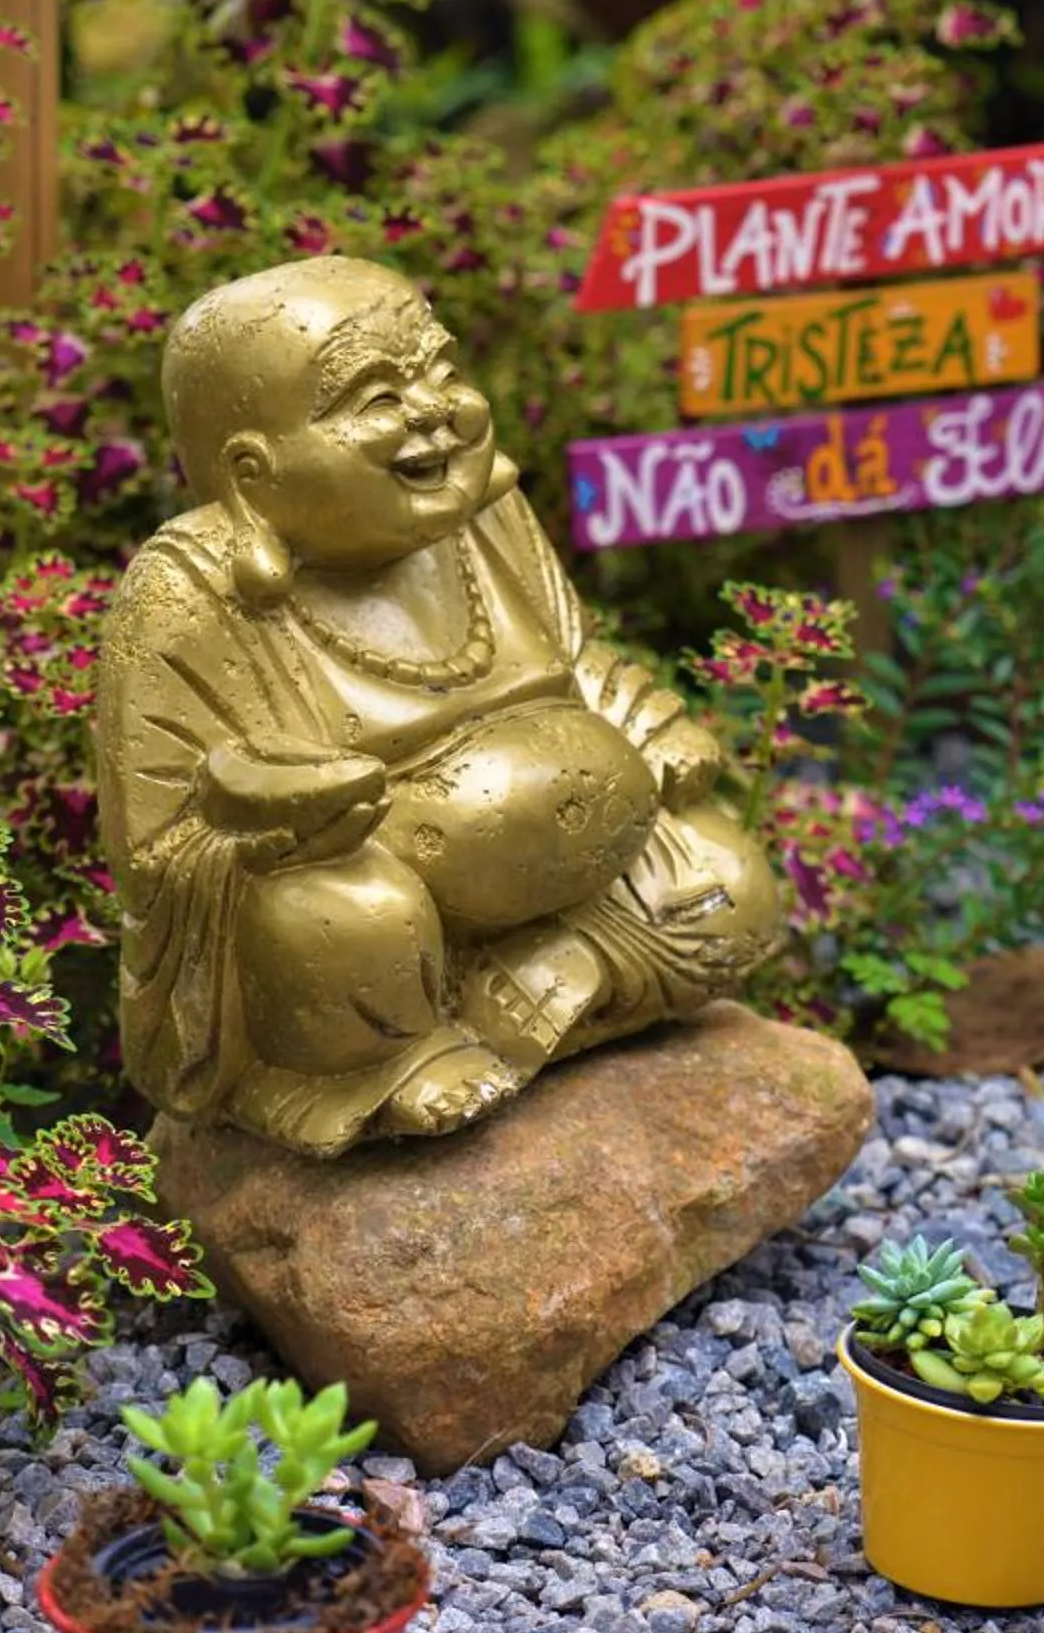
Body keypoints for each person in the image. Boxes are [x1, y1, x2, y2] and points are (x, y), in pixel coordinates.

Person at [95, 256, 782, 1157]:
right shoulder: (188, 595)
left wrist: (648, 725)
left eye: (440, 369)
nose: (433, 411)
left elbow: (581, 661)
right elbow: (160, 845)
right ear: (254, 476)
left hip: (581, 879)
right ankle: (383, 1063)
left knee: (732, 879)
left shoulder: (484, 516)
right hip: (374, 899)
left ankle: (558, 972)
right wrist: (270, 814)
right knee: (333, 917)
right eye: (377, 398)